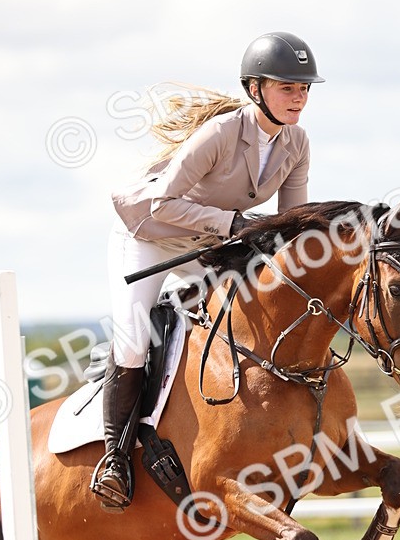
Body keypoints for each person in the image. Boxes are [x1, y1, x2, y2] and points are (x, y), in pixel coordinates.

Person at [90, 30, 325, 512]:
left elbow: (289, 224)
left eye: (303, 88)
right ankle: (114, 460)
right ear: (255, 89)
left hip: (205, 244)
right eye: (287, 87)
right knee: (134, 340)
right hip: (148, 236)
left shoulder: (297, 143)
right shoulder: (220, 134)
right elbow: (163, 202)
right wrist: (233, 224)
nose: (298, 97)